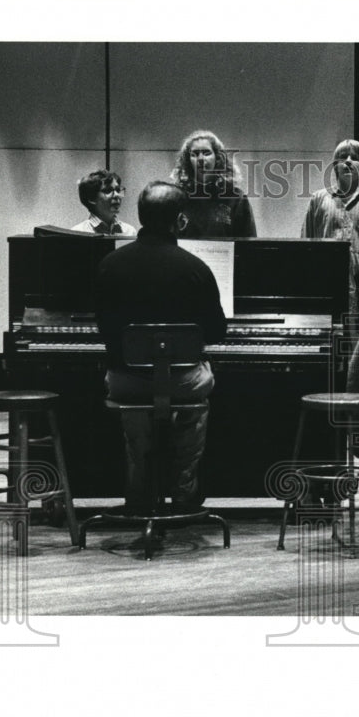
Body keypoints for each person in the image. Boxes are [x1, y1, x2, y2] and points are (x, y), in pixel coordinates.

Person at [95, 181, 227, 511]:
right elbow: (216, 332)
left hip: (127, 381)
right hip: (182, 382)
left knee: (135, 408)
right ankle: (184, 491)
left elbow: (105, 330)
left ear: (140, 216)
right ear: (180, 221)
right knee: (199, 384)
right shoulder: (196, 269)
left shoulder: (110, 265)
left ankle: (138, 494)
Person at [301, 138, 359, 316]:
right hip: (325, 290)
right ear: (335, 166)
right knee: (326, 342)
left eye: (355, 158)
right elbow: (306, 247)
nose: (349, 161)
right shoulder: (318, 199)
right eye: (343, 157)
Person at [170, 129, 257, 238]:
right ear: (188, 160)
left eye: (207, 153)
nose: (201, 159)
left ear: (218, 158)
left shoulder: (236, 198)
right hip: (183, 255)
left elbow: (249, 242)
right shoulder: (175, 197)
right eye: (195, 154)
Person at [71, 169, 138, 235]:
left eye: (118, 190)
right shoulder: (78, 233)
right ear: (91, 198)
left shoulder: (130, 232)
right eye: (108, 190)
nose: (117, 195)